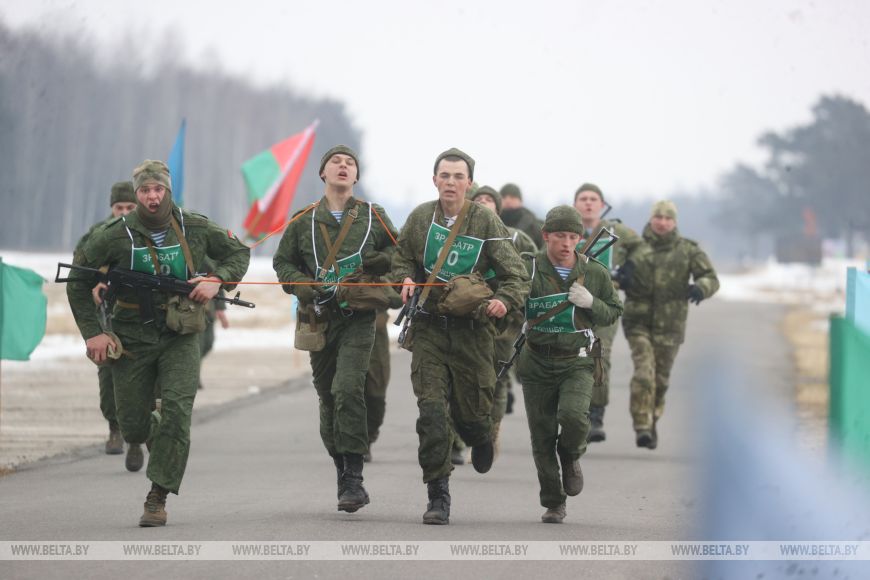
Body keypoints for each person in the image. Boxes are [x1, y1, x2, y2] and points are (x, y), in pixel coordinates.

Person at [67, 160, 251, 527]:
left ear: (168, 191)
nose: (152, 197)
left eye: (159, 190)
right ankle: (152, 433)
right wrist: (93, 332)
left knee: (178, 415)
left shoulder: (194, 226)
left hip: (181, 333)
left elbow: (238, 253)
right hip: (132, 334)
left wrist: (218, 279)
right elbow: (76, 280)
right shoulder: (114, 234)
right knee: (133, 425)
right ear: (136, 195)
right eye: (145, 191)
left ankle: (158, 495)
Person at [391, 148, 529, 525]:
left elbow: (516, 274)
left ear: (469, 182)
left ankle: (480, 435)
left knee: (470, 415)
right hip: (430, 329)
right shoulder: (421, 218)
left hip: (472, 332)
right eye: (444, 175)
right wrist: (403, 277)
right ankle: (438, 494)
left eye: (458, 176)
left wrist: (504, 299)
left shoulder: (485, 221)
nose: (451, 182)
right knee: (432, 412)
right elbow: (401, 257)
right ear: (434, 179)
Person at [273, 145, 398, 513]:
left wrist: (381, 266)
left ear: (356, 177)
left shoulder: (374, 216)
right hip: (319, 320)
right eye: (335, 163)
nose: (343, 167)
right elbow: (283, 262)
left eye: (350, 164)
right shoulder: (304, 220)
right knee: (328, 397)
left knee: (348, 389)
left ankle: (354, 477)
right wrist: (301, 285)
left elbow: (400, 256)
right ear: (323, 173)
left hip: (359, 319)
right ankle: (342, 467)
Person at [516, 206, 623, 523]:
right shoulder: (529, 268)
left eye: (573, 236)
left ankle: (572, 454)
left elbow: (613, 311)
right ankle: (554, 502)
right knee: (542, 434)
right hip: (536, 361)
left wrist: (592, 302)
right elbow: (509, 292)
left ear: (580, 238)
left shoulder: (594, 272)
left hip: (577, 361)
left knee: (574, 418)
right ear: (545, 235)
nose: (566, 243)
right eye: (560, 235)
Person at [621, 200, 719, 449]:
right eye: (658, 218)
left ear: (674, 222)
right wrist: (622, 277)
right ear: (651, 219)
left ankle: (652, 418)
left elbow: (710, 277)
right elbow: (612, 273)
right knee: (644, 372)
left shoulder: (687, 250)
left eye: (668, 219)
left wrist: (700, 288)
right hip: (638, 321)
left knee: (661, 380)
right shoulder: (635, 247)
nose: (662, 223)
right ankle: (642, 425)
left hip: (671, 325)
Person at [71, 181, 143, 470]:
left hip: (140, 317)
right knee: (108, 375)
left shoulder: (145, 234)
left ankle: (137, 436)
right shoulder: (98, 236)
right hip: (107, 317)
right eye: (119, 208)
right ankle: (115, 427)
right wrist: (94, 285)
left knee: (143, 377)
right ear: (111, 208)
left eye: (129, 207)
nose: (123, 213)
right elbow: (79, 273)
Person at [573, 183, 642, 442]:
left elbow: (642, 248)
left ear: (602, 205)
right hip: (569, 303)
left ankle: (596, 415)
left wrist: (631, 267)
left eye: (593, 199)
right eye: (583, 199)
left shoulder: (616, 231)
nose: (588, 203)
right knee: (571, 357)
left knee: (598, 352)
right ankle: (573, 412)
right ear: (575, 204)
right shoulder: (566, 229)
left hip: (604, 303)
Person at [470, 185, 537, 444]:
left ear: (497, 208)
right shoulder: (460, 237)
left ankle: (491, 432)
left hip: (505, 323)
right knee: (465, 381)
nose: (484, 203)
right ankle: (457, 440)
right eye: (479, 199)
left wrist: (514, 304)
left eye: (489, 200)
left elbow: (532, 274)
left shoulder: (517, 239)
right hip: (466, 320)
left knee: (496, 379)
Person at [362, 287, 403, 463]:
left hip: (376, 336)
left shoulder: (384, 262)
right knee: (347, 391)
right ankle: (355, 443)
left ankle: (368, 437)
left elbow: (397, 299)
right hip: (344, 330)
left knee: (376, 394)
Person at [499, 183, 544, 248]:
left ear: (520, 200)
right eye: (504, 197)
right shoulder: (494, 221)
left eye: (512, 197)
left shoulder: (534, 225)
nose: (507, 200)